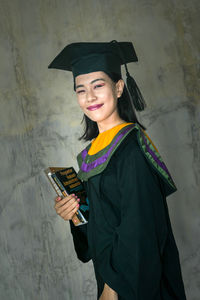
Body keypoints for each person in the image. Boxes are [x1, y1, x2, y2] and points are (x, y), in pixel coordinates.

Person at [48, 41, 187, 300]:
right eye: (81, 90)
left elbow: (140, 229)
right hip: (111, 279)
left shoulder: (131, 150)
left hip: (136, 285)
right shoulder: (92, 155)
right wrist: (75, 214)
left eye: (98, 85)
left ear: (119, 87)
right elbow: (99, 230)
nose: (89, 97)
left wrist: (112, 290)